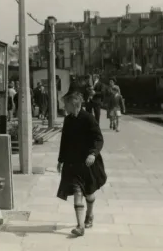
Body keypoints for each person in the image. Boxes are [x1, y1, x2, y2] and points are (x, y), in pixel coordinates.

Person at [57, 91, 107, 237]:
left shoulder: (88, 118)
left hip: (88, 162)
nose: (63, 107)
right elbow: (64, 142)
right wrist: (61, 160)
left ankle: (89, 215)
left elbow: (99, 139)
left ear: (73, 104)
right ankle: (80, 226)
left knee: (89, 193)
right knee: (77, 191)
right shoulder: (68, 120)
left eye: (65, 104)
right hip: (72, 162)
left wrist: (93, 153)